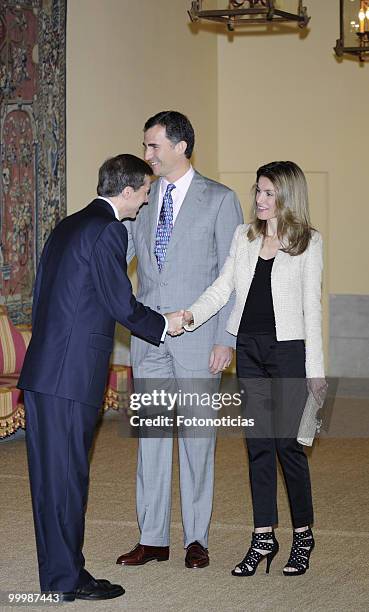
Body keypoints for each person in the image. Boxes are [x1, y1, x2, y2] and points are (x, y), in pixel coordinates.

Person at [18, 154, 184, 601]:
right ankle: (66, 581)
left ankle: (61, 577)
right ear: (126, 191)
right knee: (68, 481)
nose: (147, 200)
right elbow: (121, 303)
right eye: (145, 192)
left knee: (53, 482)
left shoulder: (68, 225)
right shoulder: (109, 229)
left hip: (44, 374)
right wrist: (166, 324)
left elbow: (43, 299)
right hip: (69, 380)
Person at [183, 161, 327, 576]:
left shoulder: (307, 242)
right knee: (257, 445)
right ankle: (263, 535)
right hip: (249, 349)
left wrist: (315, 371)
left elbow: (311, 311)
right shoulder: (243, 237)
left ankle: (303, 535)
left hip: (288, 352)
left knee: (287, 446)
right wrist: (189, 315)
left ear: (287, 195)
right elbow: (222, 287)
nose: (260, 200)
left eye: (269, 193)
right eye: (258, 192)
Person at [116, 111, 243, 569]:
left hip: (199, 339)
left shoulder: (220, 200)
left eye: (153, 146)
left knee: (196, 440)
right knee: (150, 438)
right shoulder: (144, 201)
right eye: (147, 146)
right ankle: (152, 538)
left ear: (180, 146)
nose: (147, 154)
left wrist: (226, 337)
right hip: (149, 339)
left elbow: (235, 277)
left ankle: (196, 538)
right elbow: (121, 255)